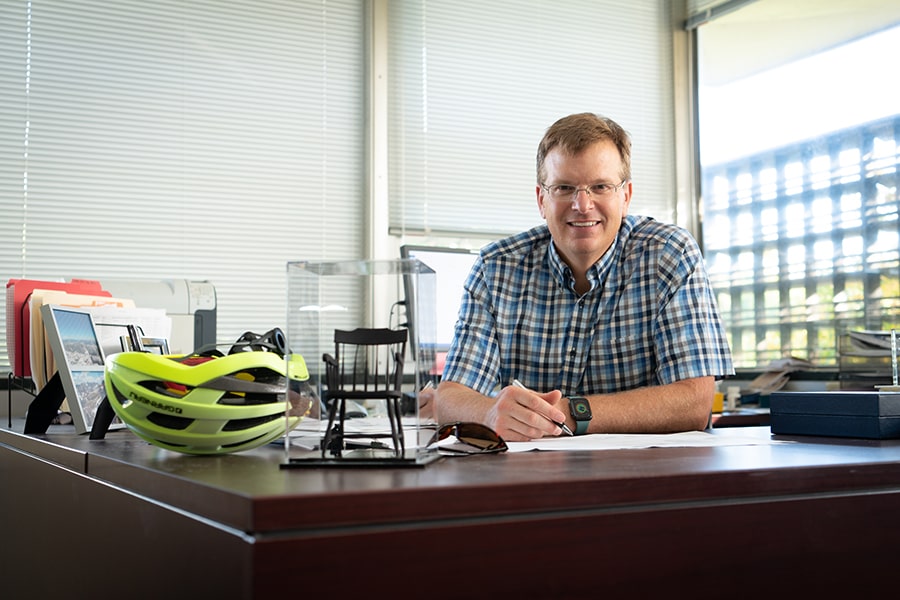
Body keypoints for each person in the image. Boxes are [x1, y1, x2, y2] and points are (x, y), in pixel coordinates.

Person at [428, 112, 733, 441]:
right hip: (527, 480)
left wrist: (568, 415)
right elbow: (450, 397)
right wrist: (489, 413)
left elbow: (695, 401)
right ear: (541, 199)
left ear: (626, 196)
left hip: (649, 478)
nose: (583, 205)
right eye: (564, 188)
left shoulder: (669, 254)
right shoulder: (496, 267)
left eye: (601, 186)